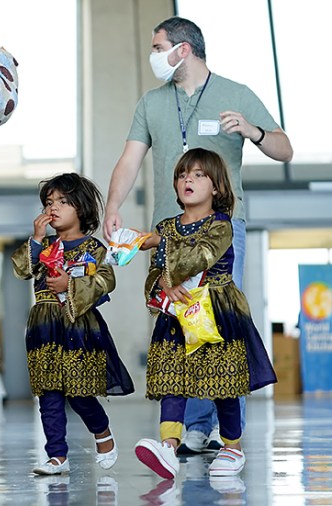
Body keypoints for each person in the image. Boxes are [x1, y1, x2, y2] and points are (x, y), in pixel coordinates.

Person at [102, 16, 292, 452]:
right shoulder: (151, 102)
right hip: (169, 230)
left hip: (224, 228)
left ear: (182, 50)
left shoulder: (235, 93)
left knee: (219, 322)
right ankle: (193, 425)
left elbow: (285, 148)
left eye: (158, 46)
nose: (154, 55)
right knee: (179, 319)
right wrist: (113, 206)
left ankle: (229, 434)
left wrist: (252, 131)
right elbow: (129, 159)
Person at [133, 148, 276, 479]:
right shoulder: (166, 226)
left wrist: (164, 257)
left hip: (216, 312)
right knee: (172, 378)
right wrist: (162, 283)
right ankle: (168, 447)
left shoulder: (221, 225)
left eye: (199, 175)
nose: (188, 179)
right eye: (183, 174)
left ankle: (232, 446)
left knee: (222, 382)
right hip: (177, 317)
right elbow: (156, 272)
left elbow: (201, 256)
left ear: (216, 188)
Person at [11, 173, 134, 476]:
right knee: (49, 393)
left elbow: (106, 280)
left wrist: (72, 284)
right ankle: (57, 456)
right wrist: (36, 239)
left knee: (79, 391)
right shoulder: (43, 246)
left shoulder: (95, 247)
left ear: (80, 207)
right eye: (49, 202)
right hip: (44, 327)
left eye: (63, 201)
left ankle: (102, 431)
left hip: (78, 326)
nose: (53, 208)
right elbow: (21, 269)